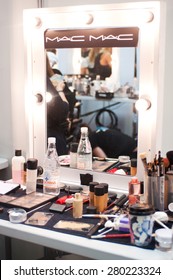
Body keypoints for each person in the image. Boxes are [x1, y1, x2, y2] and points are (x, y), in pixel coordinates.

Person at [46, 55, 70, 156]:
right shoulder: (45, 80)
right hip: (51, 133)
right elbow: (62, 109)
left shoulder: (55, 75)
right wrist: (59, 90)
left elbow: (67, 104)